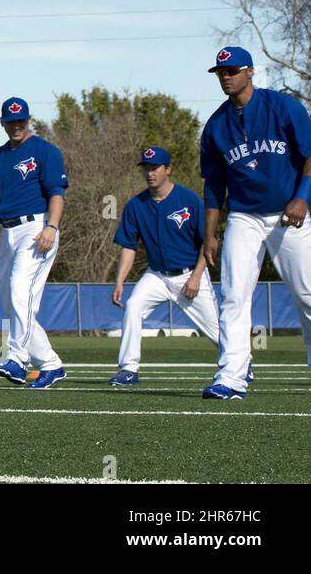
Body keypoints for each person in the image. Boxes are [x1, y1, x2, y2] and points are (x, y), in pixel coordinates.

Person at [199, 46, 311, 399]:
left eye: (232, 70)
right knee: (233, 294)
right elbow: (214, 185)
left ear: (250, 71)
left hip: (288, 214)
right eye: (221, 72)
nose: (226, 76)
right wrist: (210, 234)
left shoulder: (283, 106)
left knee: (307, 294)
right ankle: (231, 375)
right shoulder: (216, 125)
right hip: (244, 216)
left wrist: (302, 197)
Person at [0, 98, 68, 389]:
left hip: (37, 228)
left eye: (21, 120)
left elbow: (57, 192)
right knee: (14, 303)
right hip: (8, 232)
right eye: (11, 121)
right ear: (2, 123)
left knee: (18, 289)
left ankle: (16, 359)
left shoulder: (44, 151)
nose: (16, 125)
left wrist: (52, 226)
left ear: (29, 120)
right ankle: (51, 365)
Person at [109, 148, 223, 386]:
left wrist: (196, 277)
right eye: (146, 168)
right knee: (133, 306)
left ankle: (241, 363)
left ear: (168, 169)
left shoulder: (188, 200)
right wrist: (120, 280)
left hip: (189, 274)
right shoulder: (136, 205)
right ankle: (129, 369)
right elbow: (129, 247)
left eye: (155, 168)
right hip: (157, 275)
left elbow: (209, 241)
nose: (150, 173)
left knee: (215, 330)